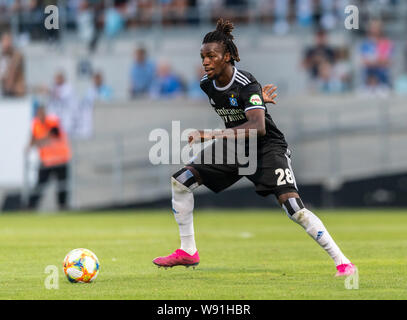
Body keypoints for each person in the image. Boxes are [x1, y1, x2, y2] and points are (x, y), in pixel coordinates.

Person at [152, 19, 355, 277]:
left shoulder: (245, 82)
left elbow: (258, 127)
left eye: (211, 56)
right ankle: (188, 251)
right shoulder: (207, 84)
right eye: (203, 56)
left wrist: (215, 130)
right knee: (181, 181)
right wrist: (256, 101)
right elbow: (240, 110)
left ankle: (343, 263)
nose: (205, 61)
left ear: (227, 56)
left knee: (294, 209)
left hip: (266, 147)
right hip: (236, 147)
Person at [26, 105, 72, 211]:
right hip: (47, 161)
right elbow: (33, 138)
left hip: (60, 159)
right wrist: (31, 145)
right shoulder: (36, 124)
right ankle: (30, 206)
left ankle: (63, 206)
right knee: (40, 185)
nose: (40, 115)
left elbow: (54, 132)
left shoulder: (51, 120)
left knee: (62, 185)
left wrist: (40, 141)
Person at [0, 32, 26, 97]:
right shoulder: (3, 56)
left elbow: (11, 74)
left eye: (8, 41)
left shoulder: (17, 56)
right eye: (4, 41)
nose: (6, 44)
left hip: (16, 93)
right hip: (7, 92)